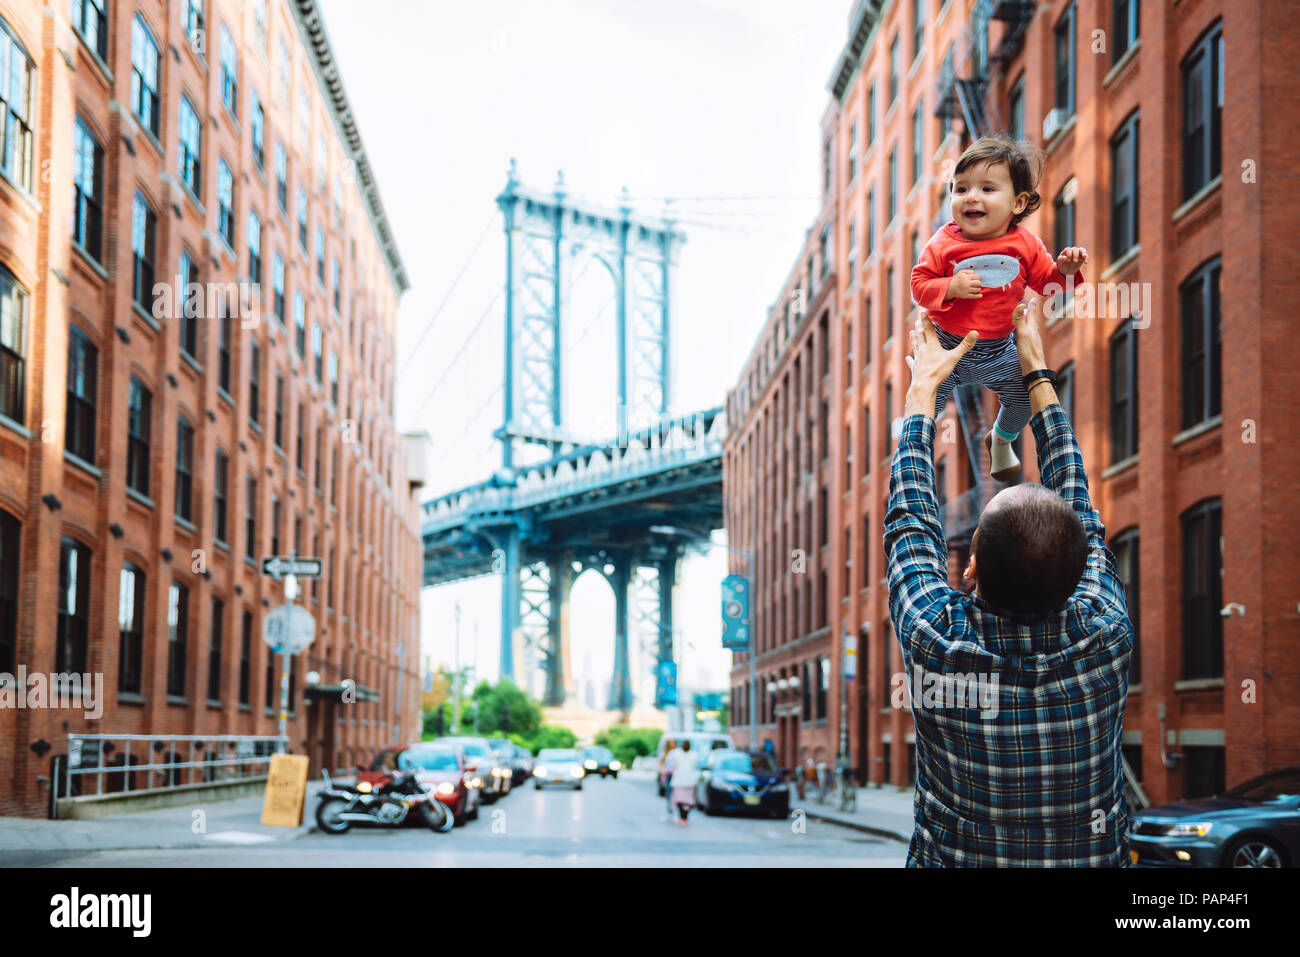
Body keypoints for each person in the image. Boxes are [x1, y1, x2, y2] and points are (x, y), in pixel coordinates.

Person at [884, 302, 1133, 867]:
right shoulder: (1106, 633)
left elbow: (910, 524)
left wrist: (924, 389)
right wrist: (1036, 369)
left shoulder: (938, 640)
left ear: (969, 568)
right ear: (1079, 574)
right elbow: (1080, 510)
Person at [910, 136, 1088, 482]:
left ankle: (1002, 440)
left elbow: (1045, 282)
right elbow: (919, 285)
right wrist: (949, 287)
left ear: (1018, 202)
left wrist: (1065, 272)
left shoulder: (1025, 244)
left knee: (1023, 400)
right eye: (960, 189)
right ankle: (919, 461)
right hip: (948, 347)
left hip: (999, 349)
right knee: (924, 405)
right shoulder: (943, 243)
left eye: (987, 189)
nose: (970, 197)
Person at [666, 739, 701, 826]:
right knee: (688, 801)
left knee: (680, 800)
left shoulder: (677, 755)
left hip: (679, 781)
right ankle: (685, 818)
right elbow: (695, 766)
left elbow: (674, 765)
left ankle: (682, 818)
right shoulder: (694, 755)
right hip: (689, 781)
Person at [658, 737, 676, 819]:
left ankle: (674, 811)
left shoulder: (677, 752)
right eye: (670, 743)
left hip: (676, 775)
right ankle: (670, 811)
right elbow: (661, 763)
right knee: (668, 793)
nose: (671, 744)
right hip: (668, 775)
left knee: (676, 794)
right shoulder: (666, 753)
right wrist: (662, 770)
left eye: (673, 743)